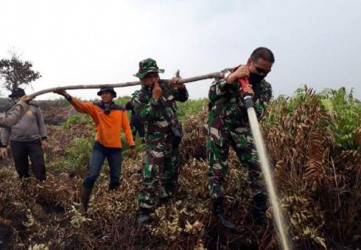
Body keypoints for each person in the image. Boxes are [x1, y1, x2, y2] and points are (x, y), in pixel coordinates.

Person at [207, 47, 275, 230]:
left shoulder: (265, 87)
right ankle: (218, 210)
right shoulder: (229, 73)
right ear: (249, 62)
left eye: (266, 72)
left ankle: (258, 211)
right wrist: (231, 79)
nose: (262, 74)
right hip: (219, 126)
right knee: (217, 168)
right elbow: (212, 94)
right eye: (259, 70)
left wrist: (251, 99)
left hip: (242, 128)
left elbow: (258, 113)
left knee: (260, 165)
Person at [53, 86, 136, 212]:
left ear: (113, 95)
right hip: (100, 146)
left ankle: (111, 206)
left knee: (115, 179)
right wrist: (66, 95)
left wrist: (132, 145)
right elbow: (80, 106)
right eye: (102, 94)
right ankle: (83, 205)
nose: (104, 95)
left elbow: (127, 128)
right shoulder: (95, 107)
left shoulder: (121, 110)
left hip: (115, 149)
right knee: (92, 174)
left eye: (107, 93)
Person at [132, 58, 188, 223]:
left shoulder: (167, 87)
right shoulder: (139, 96)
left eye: (154, 75)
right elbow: (143, 116)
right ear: (141, 79)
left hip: (173, 137)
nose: (152, 79)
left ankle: (166, 199)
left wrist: (181, 86)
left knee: (172, 170)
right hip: (155, 141)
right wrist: (155, 99)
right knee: (151, 173)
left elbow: (183, 98)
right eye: (148, 76)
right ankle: (145, 209)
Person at [1, 88, 47, 181]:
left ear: (24, 97)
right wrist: (3, 145)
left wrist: (44, 138)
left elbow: (41, 123)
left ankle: (42, 187)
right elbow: (6, 128)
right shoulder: (10, 109)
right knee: (21, 170)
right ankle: (25, 188)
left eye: (19, 97)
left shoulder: (34, 106)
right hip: (17, 143)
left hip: (34, 142)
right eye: (14, 97)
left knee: (39, 167)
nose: (17, 99)